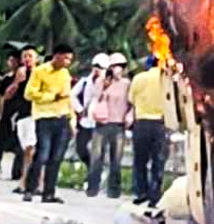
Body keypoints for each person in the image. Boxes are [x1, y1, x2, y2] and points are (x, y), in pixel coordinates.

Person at [22, 44, 75, 204]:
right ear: (57, 56)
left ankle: (49, 193)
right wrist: (51, 97)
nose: (67, 62)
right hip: (44, 117)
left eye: (70, 59)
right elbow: (29, 93)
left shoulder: (65, 74)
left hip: (62, 116)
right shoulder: (40, 71)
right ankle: (30, 189)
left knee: (56, 157)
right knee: (42, 154)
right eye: (65, 58)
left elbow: (67, 98)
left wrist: (72, 120)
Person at [86, 53, 131, 199]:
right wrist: (105, 85)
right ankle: (93, 187)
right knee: (96, 157)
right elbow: (95, 98)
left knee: (116, 159)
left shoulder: (127, 84)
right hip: (102, 123)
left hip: (118, 124)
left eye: (120, 67)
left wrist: (129, 116)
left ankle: (114, 189)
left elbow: (131, 102)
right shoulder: (101, 81)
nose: (117, 69)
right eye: (114, 66)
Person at [128, 56, 169, 206]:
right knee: (158, 160)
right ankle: (155, 194)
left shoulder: (139, 78)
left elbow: (131, 99)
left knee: (140, 160)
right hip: (160, 123)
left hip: (141, 122)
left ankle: (141, 192)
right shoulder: (167, 80)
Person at [0, 48, 31, 179]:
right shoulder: (8, 78)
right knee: (0, 141)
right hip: (8, 112)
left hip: (22, 112)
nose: (11, 62)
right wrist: (0, 115)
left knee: (20, 143)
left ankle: (17, 172)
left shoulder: (31, 76)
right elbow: (4, 96)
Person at [72, 53, 108, 167]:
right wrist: (79, 109)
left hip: (101, 121)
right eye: (95, 66)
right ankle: (91, 168)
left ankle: (96, 175)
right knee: (81, 149)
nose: (97, 70)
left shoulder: (109, 83)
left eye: (101, 68)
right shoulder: (84, 81)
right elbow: (71, 95)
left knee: (98, 151)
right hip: (86, 121)